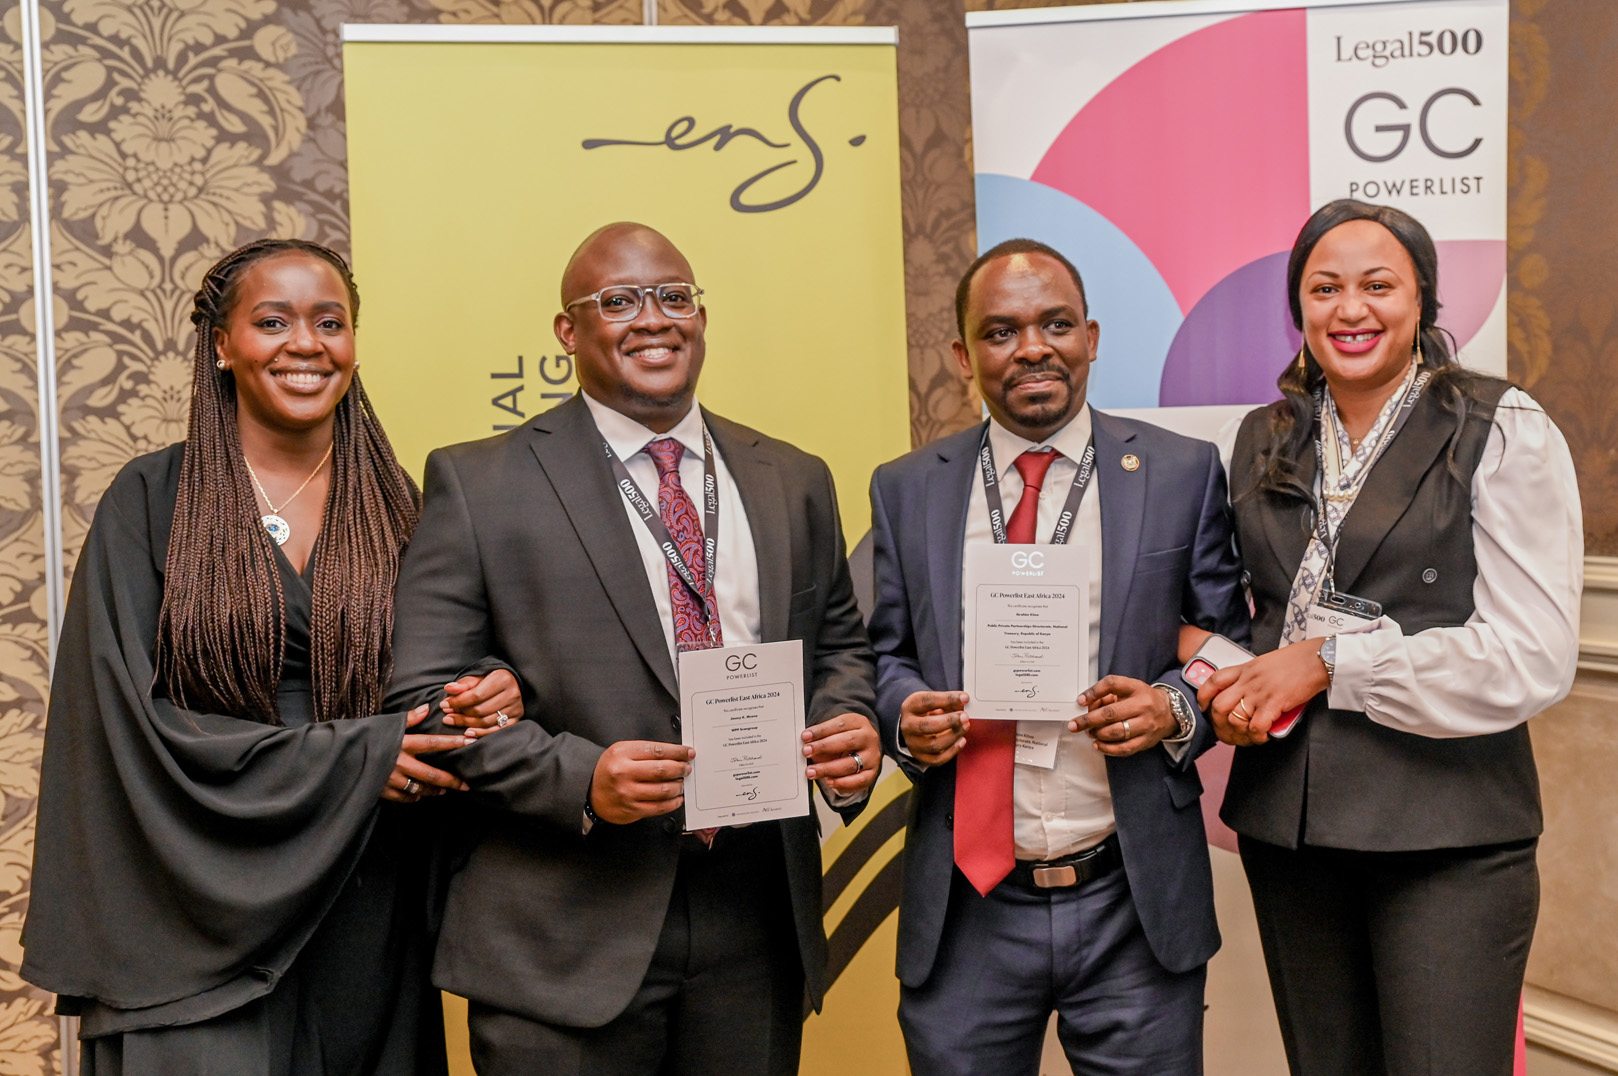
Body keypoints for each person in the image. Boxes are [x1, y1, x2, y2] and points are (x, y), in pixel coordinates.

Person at [383, 221, 883, 1075]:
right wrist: (581, 780)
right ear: (568, 331)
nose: (654, 319)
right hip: (564, 929)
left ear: (700, 317)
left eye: (673, 297)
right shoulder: (480, 482)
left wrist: (849, 724)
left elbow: (838, 645)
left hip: (754, 917)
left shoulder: (793, 477)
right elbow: (426, 699)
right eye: (618, 301)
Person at [21, 238, 524, 1075]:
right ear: (222, 344)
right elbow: (121, 724)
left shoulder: (399, 507)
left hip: (363, 905)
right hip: (192, 910)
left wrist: (486, 692)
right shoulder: (152, 501)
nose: (306, 344)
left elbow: (432, 681)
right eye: (273, 322)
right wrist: (357, 759)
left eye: (330, 322)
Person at [1192, 199, 1582, 1075]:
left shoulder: (1498, 425)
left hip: (1448, 834)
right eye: (1325, 288)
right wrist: (1226, 688)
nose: (1351, 309)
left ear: (1423, 301)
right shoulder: (1257, 439)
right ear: (1299, 308)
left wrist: (1331, 663)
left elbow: (1532, 654)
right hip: (1291, 833)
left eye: (1378, 285)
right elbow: (1236, 621)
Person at [867, 238, 1249, 1075]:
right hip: (967, 904)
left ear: (1092, 338)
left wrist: (1172, 707)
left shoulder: (1180, 472)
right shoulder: (907, 487)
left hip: (1130, 899)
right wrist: (904, 717)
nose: (1032, 347)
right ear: (963, 356)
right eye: (1001, 331)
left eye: (1056, 324)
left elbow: (1229, 643)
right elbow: (884, 653)